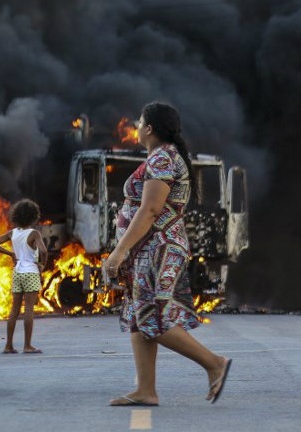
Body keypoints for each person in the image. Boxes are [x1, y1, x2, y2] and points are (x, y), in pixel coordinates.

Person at [102, 102, 231, 406]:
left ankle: (214, 363)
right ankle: (146, 390)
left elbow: (150, 210)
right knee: (139, 317)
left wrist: (119, 252)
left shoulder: (162, 158)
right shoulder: (163, 156)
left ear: (149, 128)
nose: (136, 127)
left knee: (152, 317)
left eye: (139, 122)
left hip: (157, 248)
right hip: (149, 248)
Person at [0, 199, 47, 354]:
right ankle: (27, 345)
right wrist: (42, 264)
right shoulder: (34, 233)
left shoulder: (12, 233)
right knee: (29, 309)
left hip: (17, 273)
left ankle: (8, 345)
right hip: (31, 272)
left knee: (14, 310)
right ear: (34, 216)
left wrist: (10, 254)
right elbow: (43, 251)